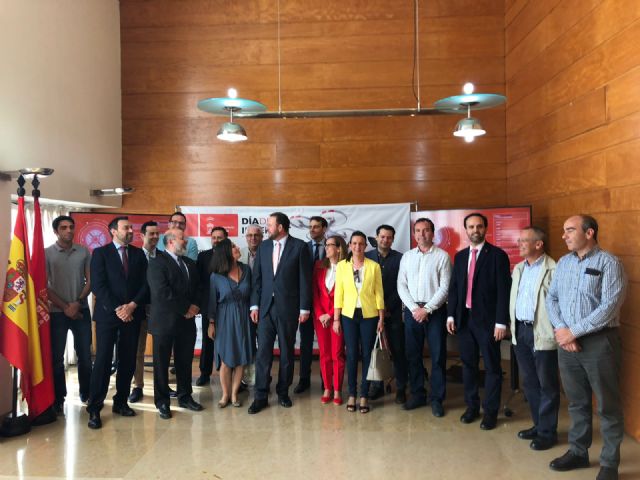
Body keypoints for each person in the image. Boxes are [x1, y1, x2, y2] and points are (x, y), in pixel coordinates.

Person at [547, 215, 627, 480]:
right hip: (566, 343)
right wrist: (562, 330)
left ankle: (609, 464)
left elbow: (609, 306)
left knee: (607, 406)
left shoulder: (609, 263)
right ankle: (578, 452)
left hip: (599, 343)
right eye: (564, 231)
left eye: (570, 230)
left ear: (589, 233)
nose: (564, 236)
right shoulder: (563, 263)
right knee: (577, 402)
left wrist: (573, 332)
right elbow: (552, 298)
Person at [447, 212, 510, 431]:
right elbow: (455, 288)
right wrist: (451, 315)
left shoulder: (498, 256)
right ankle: (472, 406)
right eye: (471, 227)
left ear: (486, 228)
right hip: (464, 320)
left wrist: (501, 322)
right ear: (466, 230)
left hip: (488, 322)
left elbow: (504, 291)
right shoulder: (460, 256)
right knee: (468, 365)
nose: (475, 230)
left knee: (492, 367)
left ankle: (490, 411)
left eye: (479, 226)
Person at [86, 216, 148, 429]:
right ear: (113, 231)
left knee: (128, 360)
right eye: (126, 228)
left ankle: (121, 402)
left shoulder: (138, 254)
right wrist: (119, 309)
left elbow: (146, 284)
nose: (130, 230)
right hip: (108, 316)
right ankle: (95, 408)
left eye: (131, 227)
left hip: (133, 315)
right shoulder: (100, 253)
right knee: (103, 361)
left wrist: (132, 306)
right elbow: (98, 285)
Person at [247, 212, 312, 414]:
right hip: (265, 308)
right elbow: (257, 279)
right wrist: (254, 306)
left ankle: (283, 392)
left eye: (270, 225)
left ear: (281, 227)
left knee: (286, 353)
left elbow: (305, 280)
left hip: (288, 309)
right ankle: (260, 396)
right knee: (263, 353)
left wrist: (304, 308)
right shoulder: (264, 246)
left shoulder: (300, 247)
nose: (267, 228)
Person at [509, 226, 559, 451]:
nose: (519, 244)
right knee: (530, 382)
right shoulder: (519, 268)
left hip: (542, 332)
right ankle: (539, 425)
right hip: (521, 331)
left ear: (538, 244)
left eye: (524, 241)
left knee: (547, 384)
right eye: (519, 241)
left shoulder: (554, 269)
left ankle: (548, 433)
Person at [397, 218, 451, 416]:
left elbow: (445, 287)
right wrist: (414, 309)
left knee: (437, 357)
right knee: (413, 355)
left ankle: (437, 399)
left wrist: (427, 309)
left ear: (433, 233)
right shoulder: (407, 257)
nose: (422, 234)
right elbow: (401, 285)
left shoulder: (442, 256)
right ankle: (418, 394)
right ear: (414, 234)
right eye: (418, 230)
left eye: (426, 230)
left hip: (435, 312)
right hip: (412, 312)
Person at [147, 228, 202, 419]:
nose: (186, 241)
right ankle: (162, 402)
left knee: (185, 362)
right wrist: (186, 308)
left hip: (187, 322)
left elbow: (198, 287)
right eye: (182, 239)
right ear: (170, 241)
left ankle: (185, 396)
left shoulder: (189, 263)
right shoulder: (157, 262)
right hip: (165, 322)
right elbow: (162, 292)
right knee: (161, 364)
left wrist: (195, 306)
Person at [45, 215, 92, 414]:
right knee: (56, 359)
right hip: (57, 313)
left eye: (71, 227)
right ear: (56, 231)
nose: (69, 230)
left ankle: (87, 394)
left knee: (85, 355)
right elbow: (44, 287)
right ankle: (58, 398)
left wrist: (77, 303)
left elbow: (90, 280)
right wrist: (65, 307)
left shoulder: (83, 251)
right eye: (64, 227)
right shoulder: (46, 253)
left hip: (81, 310)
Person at [334, 231, 384, 414]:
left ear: (365, 246)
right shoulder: (342, 266)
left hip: (369, 316)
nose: (357, 246)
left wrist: (381, 318)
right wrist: (336, 318)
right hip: (348, 315)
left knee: (368, 355)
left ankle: (364, 395)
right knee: (352, 354)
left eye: (361, 243)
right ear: (349, 245)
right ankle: (352, 394)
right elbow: (338, 294)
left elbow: (379, 294)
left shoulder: (374, 266)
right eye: (354, 243)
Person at [207, 239, 253, 408]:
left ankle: (234, 394)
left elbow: (252, 294)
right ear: (226, 252)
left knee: (241, 358)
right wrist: (211, 323)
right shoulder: (216, 276)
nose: (237, 247)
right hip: (224, 319)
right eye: (233, 246)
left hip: (244, 317)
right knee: (226, 359)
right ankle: (225, 394)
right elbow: (212, 301)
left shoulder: (246, 270)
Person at [366, 224, 407, 404]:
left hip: (393, 312)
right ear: (376, 237)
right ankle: (377, 386)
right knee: (374, 351)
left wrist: (386, 308)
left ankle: (401, 388)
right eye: (382, 236)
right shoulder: (367, 257)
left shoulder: (400, 258)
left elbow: (403, 286)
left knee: (398, 351)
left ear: (393, 239)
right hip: (371, 314)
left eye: (389, 237)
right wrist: (376, 309)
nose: (385, 240)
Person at [312, 234, 347, 405]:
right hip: (321, 319)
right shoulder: (319, 266)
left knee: (337, 354)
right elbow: (315, 293)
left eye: (330, 245)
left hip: (337, 318)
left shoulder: (347, 267)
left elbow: (347, 295)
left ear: (339, 248)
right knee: (324, 353)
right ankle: (327, 387)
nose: (326, 247)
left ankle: (337, 389)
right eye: (325, 245)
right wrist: (320, 314)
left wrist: (331, 315)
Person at [295, 215, 328, 394]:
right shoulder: (303, 248)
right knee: (306, 344)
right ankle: (304, 380)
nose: (312, 229)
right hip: (306, 304)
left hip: (326, 306)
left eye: (316, 226)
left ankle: (326, 381)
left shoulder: (332, 247)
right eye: (310, 227)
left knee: (325, 345)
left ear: (324, 228)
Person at [129, 221, 160, 403]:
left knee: (161, 350)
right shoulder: (133, 256)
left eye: (157, 234)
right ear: (142, 236)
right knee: (138, 350)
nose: (155, 237)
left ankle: (162, 385)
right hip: (139, 309)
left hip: (160, 310)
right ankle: (138, 385)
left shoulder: (163, 256)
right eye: (151, 234)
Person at [195, 226, 229, 386]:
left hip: (227, 306)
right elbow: (199, 282)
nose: (216, 240)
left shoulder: (231, 255)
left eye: (219, 238)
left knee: (228, 341)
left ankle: (228, 373)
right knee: (207, 341)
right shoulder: (203, 256)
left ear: (226, 239)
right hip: (209, 306)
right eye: (214, 237)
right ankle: (204, 373)